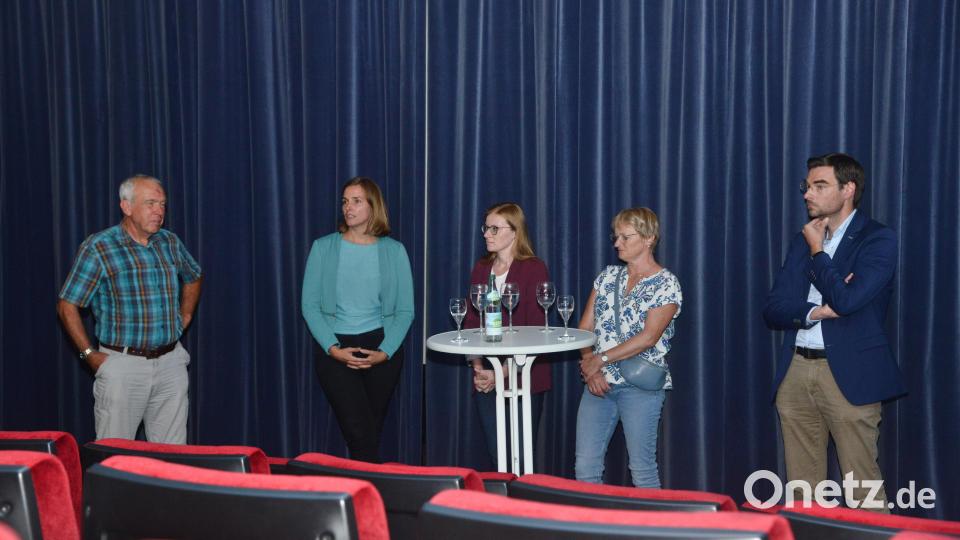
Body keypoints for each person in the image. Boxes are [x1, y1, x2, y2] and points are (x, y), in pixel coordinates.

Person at [763, 152, 903, 510]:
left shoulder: (877, 239)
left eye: (819, 185)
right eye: (807, 186)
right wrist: (815, 311)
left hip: (851, 373)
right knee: (802, 491)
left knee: (862, 489)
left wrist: (818, 252)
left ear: (848, 189)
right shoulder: (803, 238)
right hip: (796, 370)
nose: (807, 194)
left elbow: (846, 300)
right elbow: (774, 307)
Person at [57, 174, 203, 443]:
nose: (159, 211)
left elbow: (193, 276)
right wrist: (89, 355)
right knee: (116, 453)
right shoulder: (100, 247)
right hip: (122, 366)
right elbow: (67, 304)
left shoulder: (169, 242)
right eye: (150, 203)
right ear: (126, 206)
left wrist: (185, 316)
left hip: (171, 363)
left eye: (162, 204)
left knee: (173, 456)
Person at [302, 176, 414, 463]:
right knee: (359, 431)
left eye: (356, 201)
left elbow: (405, 311)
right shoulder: (323, 247)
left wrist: (384, 353)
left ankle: (365, 486)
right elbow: (310, 306)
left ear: (373, 206)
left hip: (381, 346)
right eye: (344, 201)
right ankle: (370, 487)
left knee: (370, 431)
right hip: (335, 346)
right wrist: (333, 349)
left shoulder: (394, 251)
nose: (347, 208)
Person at [575, 207, 682, 488]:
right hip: (598, 384)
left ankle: (649, 519)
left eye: (625, 237)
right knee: (585, 468)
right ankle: (590, 518)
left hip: (641, 387)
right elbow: (584, 329)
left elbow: (648, 337)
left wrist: (599, 360)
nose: (617, 243)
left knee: (643, 471)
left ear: (649, 238)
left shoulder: (666, 284)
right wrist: (591, 368)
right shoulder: (607, 276)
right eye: (616, 237)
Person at [462, 202, 551, 468]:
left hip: (524, 375)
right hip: (486, 374)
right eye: (485, 228)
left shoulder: (533, 268)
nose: (486, 234)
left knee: (520, 457)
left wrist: (499, 374)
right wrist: (479, 369)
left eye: (494, 228)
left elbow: (536, 332)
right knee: (497, 454)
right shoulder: (481, 268)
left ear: (514, 232)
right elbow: (471, 323)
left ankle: (522, 496)